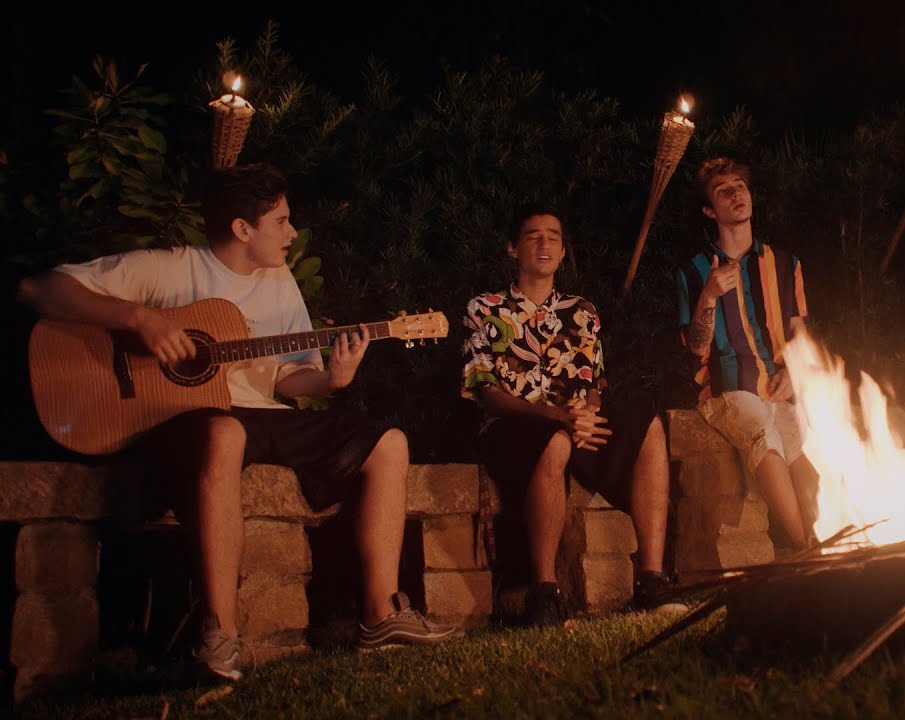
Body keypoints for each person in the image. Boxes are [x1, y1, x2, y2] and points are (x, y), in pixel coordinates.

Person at [17, 164, 459, 682]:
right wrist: (140, 319)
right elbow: (39, 289)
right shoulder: (170, 269)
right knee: (225, 430)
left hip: (261, 416)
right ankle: (219, 636)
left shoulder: (279, 280)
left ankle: (381, 615)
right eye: (282, 221)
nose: (293, 233)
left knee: (389, 442)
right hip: (187, 421)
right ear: (242, 228)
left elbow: (289, 379)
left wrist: (331, 380)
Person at [461, 205, 685, 625]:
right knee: (555, 440)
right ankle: (544, 592)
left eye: (554, 236)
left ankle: (651, 580)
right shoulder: (485, 309)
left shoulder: (582, 311)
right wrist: (556, 417)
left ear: (563, 251)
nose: (544, 243)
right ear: (512, 248)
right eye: (533, 235)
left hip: (573, 423)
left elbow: (593, 381)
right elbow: (487, 393)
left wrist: (587, 413)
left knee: (648, 424)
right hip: (516, 427)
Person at [675, 157, 817, 553]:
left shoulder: (786, 265)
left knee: (808, 444)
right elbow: (696, 346)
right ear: (710, 210)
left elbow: (800, 336)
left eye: (740, 186)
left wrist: (793, 370)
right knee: (762, 432)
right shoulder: (694, 271)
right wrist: (709, 295)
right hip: (727, 392)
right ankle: (805, 547)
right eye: (723, 191)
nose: (736, 194)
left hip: (778, 390)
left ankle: (827, 540)